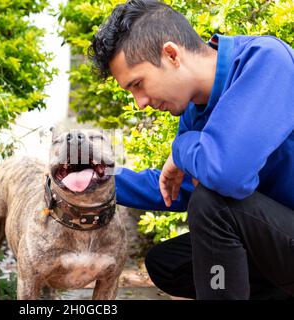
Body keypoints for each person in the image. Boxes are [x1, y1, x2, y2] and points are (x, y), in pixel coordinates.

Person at [90, 0, 294, 299]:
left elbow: (227, 175)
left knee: (214, 203)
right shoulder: (193, 112)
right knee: (169, 263)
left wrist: (181, 146)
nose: (140, 101)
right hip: (278, 240)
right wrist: (95, 180)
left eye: (138, 84)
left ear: (171, 54)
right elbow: (178, 187)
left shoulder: (264, 60)